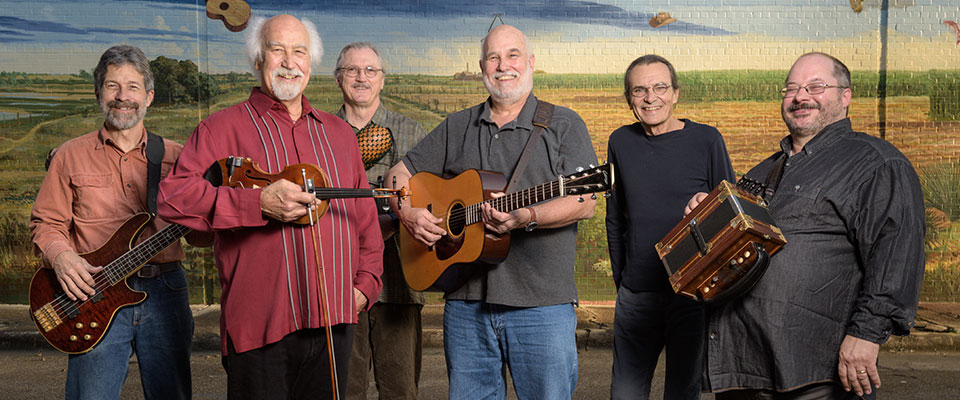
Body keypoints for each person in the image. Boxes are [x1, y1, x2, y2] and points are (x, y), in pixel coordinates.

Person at [156, 15, 383, 400]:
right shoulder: (219, 129)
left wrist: (365, 286)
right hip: (259, 327)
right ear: (258, 60)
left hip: (334, 323)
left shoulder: (340, 134)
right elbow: (173, 198)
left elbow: (365, 225)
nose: (289, 61)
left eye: (299, 51)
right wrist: (255, 203)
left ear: (310, 63)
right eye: (277, 50)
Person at [686, 52, 925, 399]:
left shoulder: (876, 163)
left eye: (816, 86)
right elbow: (730, 254)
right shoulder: (761, 171)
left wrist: (868, 334)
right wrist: (705, 214)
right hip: (746, 365)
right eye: (792, 88)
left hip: (816, 370)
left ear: (845, 97)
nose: (800, 96)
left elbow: (896, 254)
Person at [385, 24, 598, 400]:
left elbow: (584, 201)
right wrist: (408, 214)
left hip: (541, 305)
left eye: (513, 55)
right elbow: (399, 174)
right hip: (466, 304)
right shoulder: (458, 125)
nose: (504, 66)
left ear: (530, 63)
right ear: (483, 66)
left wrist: (526, 217)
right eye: (494, 57)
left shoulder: (564, 124)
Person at [30, 45, 209, 400]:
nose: (122, 97)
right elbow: (46, 223)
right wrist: (62, 257)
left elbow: (201, 238)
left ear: (149, 96)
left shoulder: (179, 157)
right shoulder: (70, 154)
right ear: (99, 93)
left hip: (166, 291)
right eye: (112, 86)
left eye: (132, 87)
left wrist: (227, 213)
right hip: (91, 292)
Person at [605, 54, 735, 400]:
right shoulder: (620, 141)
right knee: (626, 393)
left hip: (690, 294)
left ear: (675, 93)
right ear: (629, 99)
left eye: (660, 87)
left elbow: (731, 212)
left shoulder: (707, 140)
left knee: (682, 392)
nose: (651, 98)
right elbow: (615, 217)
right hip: (636, 295)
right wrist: (624, 279)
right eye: (640, 90)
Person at [334, 42, 428, 400]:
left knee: (400, 389)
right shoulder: (319, 134)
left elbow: (427, 199)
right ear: (338, 78)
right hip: (339, 279)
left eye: (370, 70)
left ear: (382, 80)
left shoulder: (412, 131)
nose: (362, 77)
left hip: (399, 279)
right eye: (352, 70)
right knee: (345, 389)